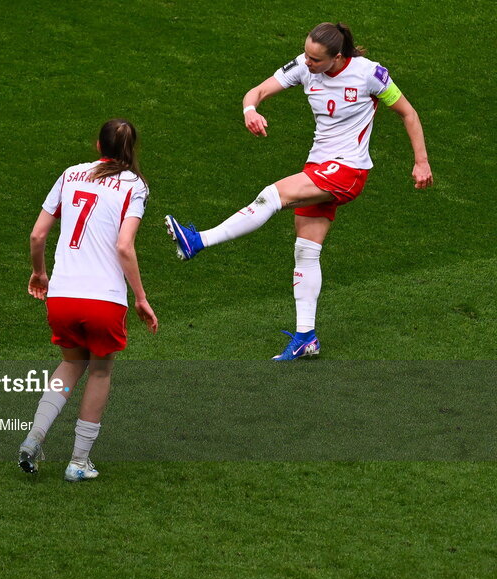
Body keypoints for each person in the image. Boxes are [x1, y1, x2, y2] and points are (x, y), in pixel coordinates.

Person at [165, 22, 433, 360]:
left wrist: (421, 162)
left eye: (316, 60)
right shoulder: (304, 67)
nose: (307, 63)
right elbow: (256, 92)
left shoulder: (369, 74)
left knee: (273, 194)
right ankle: (306, 336)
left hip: (348, 170)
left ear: (337, 57)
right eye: (306, 54)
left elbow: (407, 113)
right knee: (306, 251)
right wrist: (251, 111)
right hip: (318, 167)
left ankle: (198, 241)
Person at [18, 119, 159, 481]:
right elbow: (124, 246)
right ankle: (78, 462)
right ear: (132, 149)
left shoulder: (71, 174)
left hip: (62, 297)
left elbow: (37, 235)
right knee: (99, 370)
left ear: (98, 145)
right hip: (104, 300)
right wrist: (141, 298)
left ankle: (33, 438)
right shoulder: (135, 185)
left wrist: (39, 273)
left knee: (69, 364)